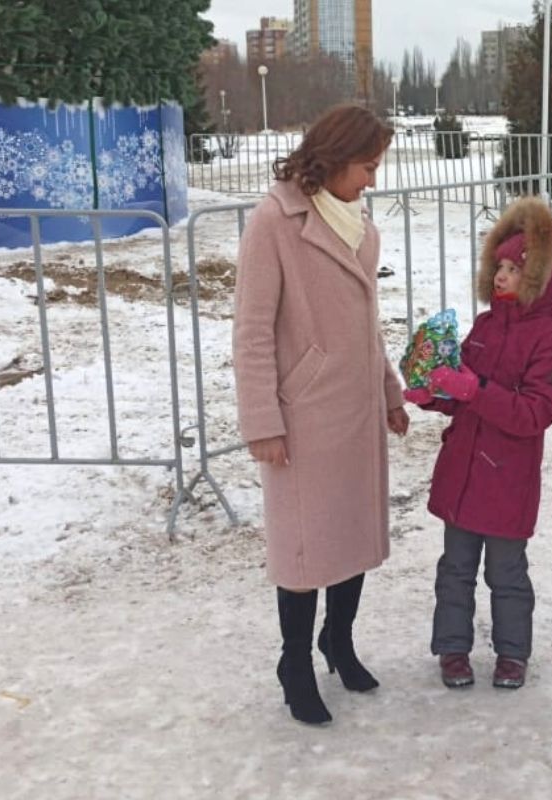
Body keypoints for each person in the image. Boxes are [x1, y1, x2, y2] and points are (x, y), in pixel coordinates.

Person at [232, 104, 409, 726]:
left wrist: (389, 390)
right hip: (304, 416)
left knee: (351, 537)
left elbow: (366, 324)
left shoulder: (360, 225)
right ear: (332, 160)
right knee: (306, 549)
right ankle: (295, 661)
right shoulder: (273, 221)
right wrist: (262, 422)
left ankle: (339, 640)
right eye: (366, 166)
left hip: (356, 408)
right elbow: (252, 331)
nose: (372, 179)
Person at [406, 197, 552, 690]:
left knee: (506, 575)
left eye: (514, 269)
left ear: (543, 280)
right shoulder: (484, 328)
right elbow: (462, 392)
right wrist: (434, 394)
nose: (501, 276)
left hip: (507, 482)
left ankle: (512, 652)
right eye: (499, 266)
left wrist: (473, 390)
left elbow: (533, 413)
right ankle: (452, 647)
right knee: (454, 569)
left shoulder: (550, 341)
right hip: (462, 473)